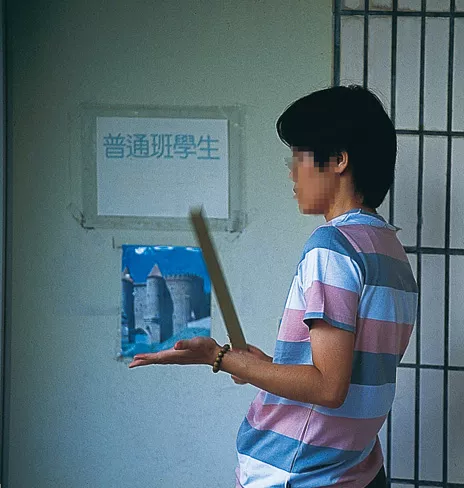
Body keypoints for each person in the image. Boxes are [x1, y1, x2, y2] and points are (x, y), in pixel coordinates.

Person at [129, 85, 418, 487]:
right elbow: (351, 376)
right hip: (356, 470)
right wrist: (259, 366)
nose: (292, 172)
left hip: (297, 472)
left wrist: (218, 357)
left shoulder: (332, 245)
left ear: (338, 160)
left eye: (299, 156)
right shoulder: (390, 250)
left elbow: (328, 387)